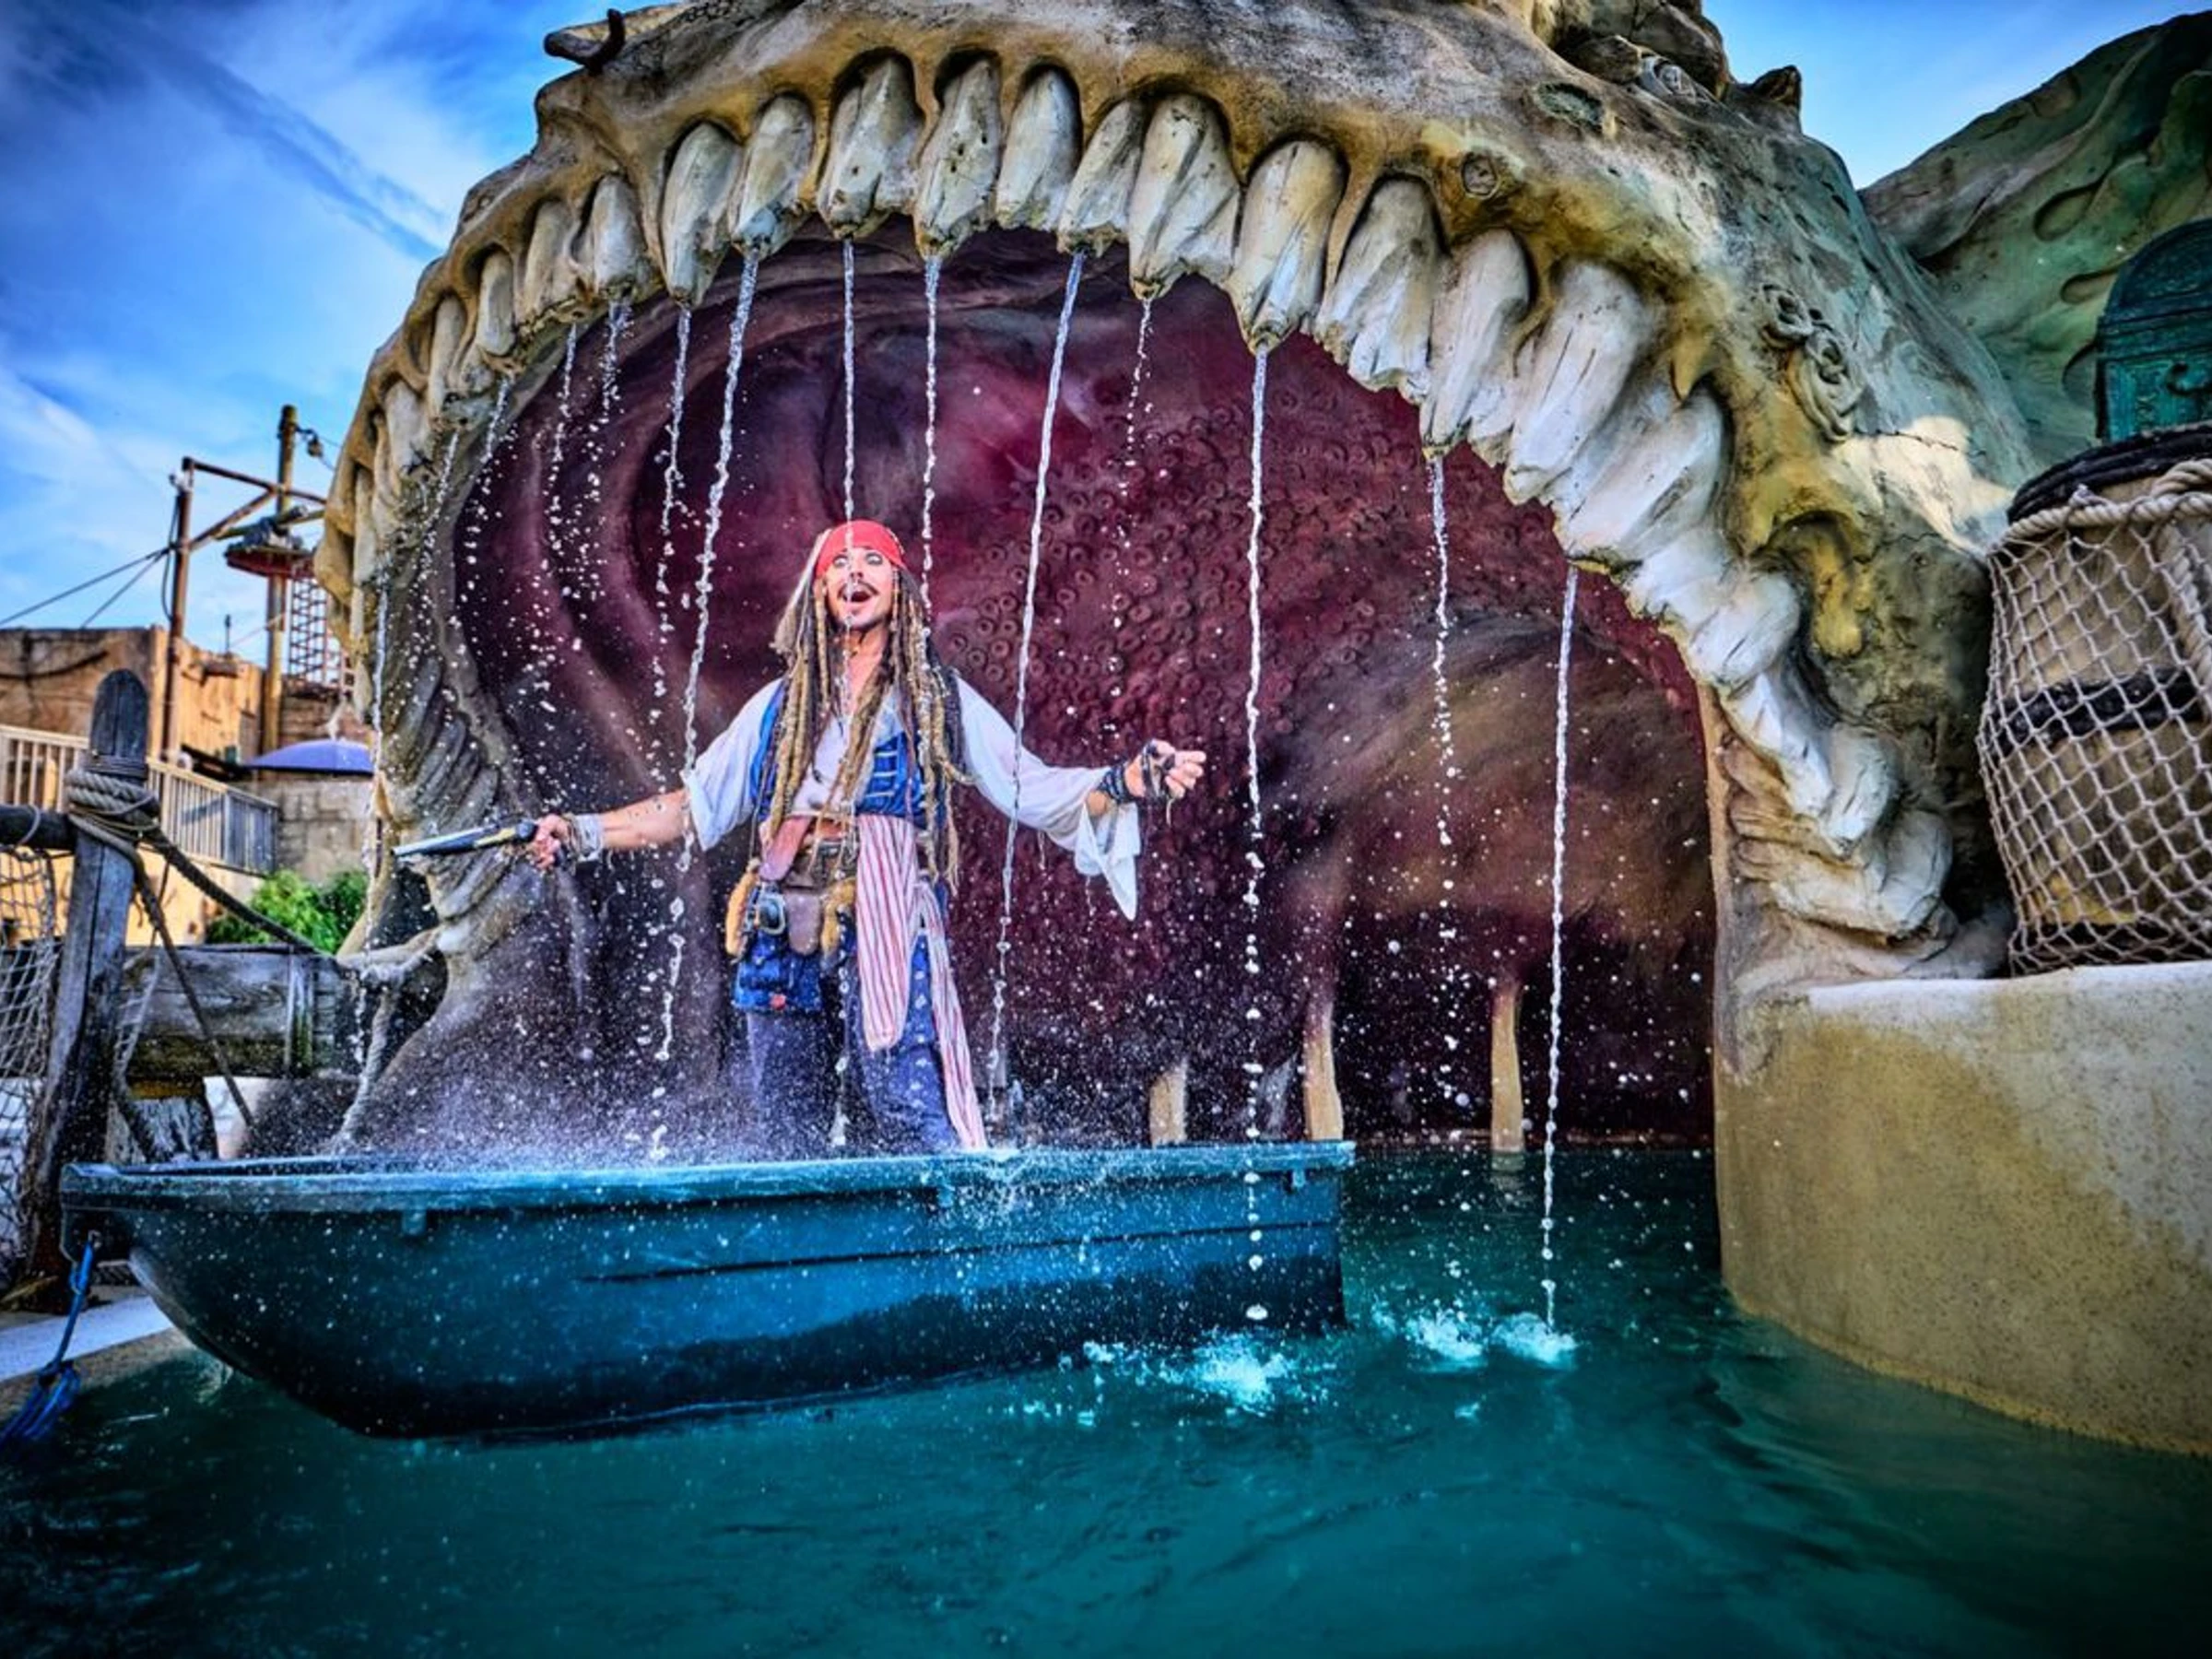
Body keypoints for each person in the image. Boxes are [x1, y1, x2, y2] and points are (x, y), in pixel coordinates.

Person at [527, 517, 1206, 1156]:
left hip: (884, 918)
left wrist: (1126, 782)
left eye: (874, 561)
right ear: (821, 592)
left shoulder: (937, 699)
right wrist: (583, 832)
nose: (856, 572)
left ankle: (954, 1219)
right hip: (780, 923)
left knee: (907, 1105)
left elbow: (1031, 788)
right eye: (841, 564)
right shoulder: (778, 708)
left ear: (900, 589)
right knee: (786, 1127)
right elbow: (690, 808)